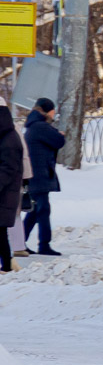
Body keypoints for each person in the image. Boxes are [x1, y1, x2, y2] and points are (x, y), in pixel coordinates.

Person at [23, 96, 65, 256]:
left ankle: (20, 243)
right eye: (53, 112)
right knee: (43, 209)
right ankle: (44, 245)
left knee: (35, 211)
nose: (54, 115)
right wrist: (60, 134)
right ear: (48, 111)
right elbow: (58, 141)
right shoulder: (40, 126)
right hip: (39, 175)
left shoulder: (34, 125)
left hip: (36, 174)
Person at [0, 100, 24, 272]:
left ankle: (8, 266)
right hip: (4, 192)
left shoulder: (9, 140)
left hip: (4, 193)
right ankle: (8, 264)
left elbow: (8, 169)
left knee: (0, 232)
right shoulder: (5, 136)